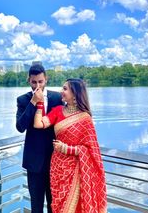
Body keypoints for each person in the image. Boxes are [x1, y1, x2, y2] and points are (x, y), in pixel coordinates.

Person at [34, 78, 107, 213]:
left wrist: (66, 148)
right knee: (58, 205)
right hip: (57, 167)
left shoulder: (85, 118)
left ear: (75, 93)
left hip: (76, 169)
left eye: (65, 89)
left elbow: (91, 149)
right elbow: (38, 124)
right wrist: (39, 104)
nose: (62, 91)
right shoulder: (57, 111)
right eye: (62, 88)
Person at [16, 64, 62, 213]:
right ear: (29, 80)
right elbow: (20, 127)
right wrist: (33, 102)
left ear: (46, 79)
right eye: (34, 82)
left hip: (56, 161)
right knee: (36, 206)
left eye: (40, 82)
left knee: (54, 206)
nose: (37, 86)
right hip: (34, 162)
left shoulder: (58, 97)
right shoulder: (23, 100)